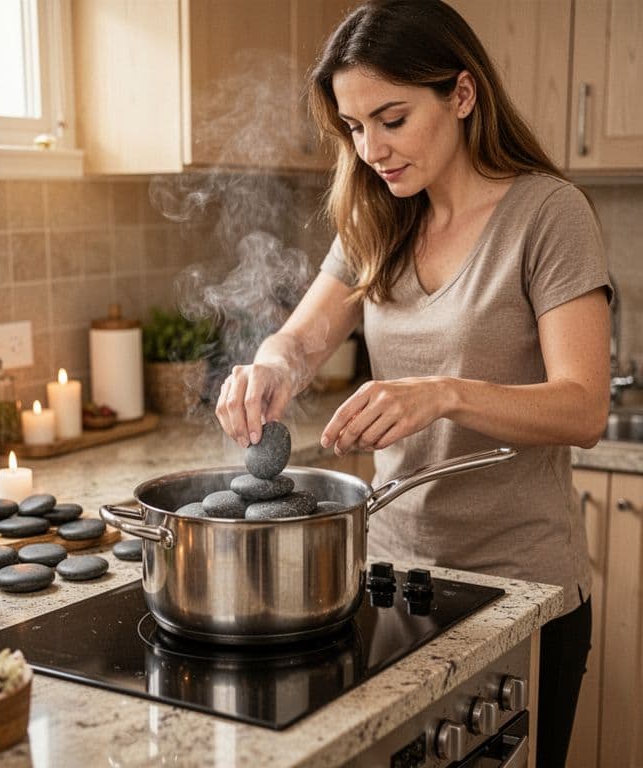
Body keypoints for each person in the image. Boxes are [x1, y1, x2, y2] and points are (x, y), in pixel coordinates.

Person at [213, 2, 607, 765]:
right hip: (392, 578)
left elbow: (583, 406)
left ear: (462, 94)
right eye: (355, 127)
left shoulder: (547, 214)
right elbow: (303, 337)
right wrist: (271, 366)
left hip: (521, 589)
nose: (372, 150)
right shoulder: (376, 214)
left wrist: (444, 392)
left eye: (391, 119)